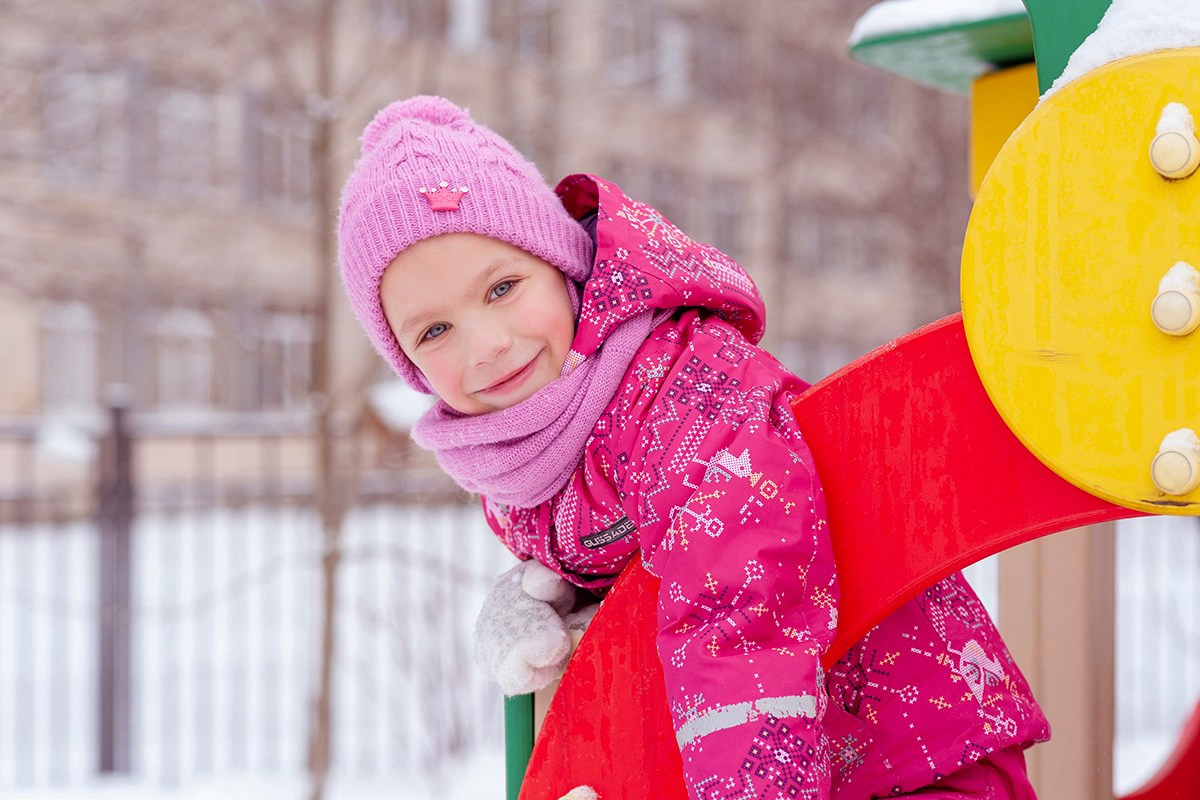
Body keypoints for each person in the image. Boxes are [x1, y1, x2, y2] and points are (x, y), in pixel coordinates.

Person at [337, 95, 1049, 799]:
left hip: (913, 755)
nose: (486, 344)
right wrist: (545, 602)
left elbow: (742, 617)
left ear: (563, 264)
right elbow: (640, 574)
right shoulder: (533, 449)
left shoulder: (681, 393)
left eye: (501, 287)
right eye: (433, 332)